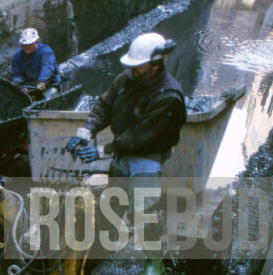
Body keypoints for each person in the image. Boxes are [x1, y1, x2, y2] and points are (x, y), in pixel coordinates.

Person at [65, 31, 186, 178]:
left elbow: (139, 136)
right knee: (117, 192)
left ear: (155, 65)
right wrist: (85, 132)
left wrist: (102, 151)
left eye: (137, 65)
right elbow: (105, 106)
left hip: (147, 156)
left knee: (141, 192)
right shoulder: (126, 79)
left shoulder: (168, 96)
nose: (132, 69)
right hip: (121, 151)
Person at [11, 28, 61, 99]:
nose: (27, 47)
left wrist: (42, 82)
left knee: (47, 98)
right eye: (25, 45)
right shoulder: (17, 56)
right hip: (31, 87)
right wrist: (17, 84)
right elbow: (17, 73)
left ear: (36, 42)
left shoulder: (46, 52)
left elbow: (47, 68)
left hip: (49, 85)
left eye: (30, 44)